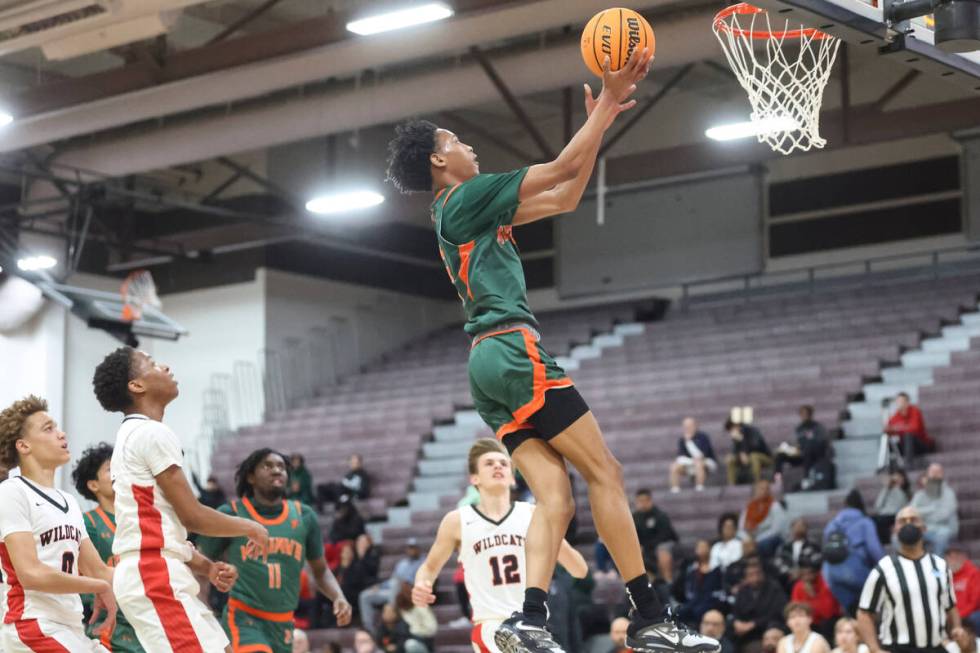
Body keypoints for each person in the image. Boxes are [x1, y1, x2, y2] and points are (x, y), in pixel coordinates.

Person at [386, 46, 718, 653]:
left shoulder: (462, 214)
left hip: (486, 366)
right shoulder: (465, 197)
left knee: (557, 497)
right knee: (606, 472)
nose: (470, 147)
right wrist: (610, 99)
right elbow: (562, 164)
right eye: (457, 139)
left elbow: (564, 196)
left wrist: (604, 122)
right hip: (513, 348)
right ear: (439, 160)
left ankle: (528, 619)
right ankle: (649, 614)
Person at [92, 347, 270, 652]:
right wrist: (251, 527)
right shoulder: (151, 433)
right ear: (137, 386)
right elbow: (193, 516)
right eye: (151, 363)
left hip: (157, 571)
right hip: (153, 574)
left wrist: (207, 567)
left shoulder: (133, 434)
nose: (165, 366)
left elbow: (159, 525)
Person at [411, 439, 587, 653]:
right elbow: (429, 568)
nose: (497, 466)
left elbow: (579, 569)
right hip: (490, 626)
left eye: (503, 463)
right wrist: (422, 583)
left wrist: (556, 533)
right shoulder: (457, 521)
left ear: (512, 478)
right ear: (474, 478)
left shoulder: (532, 514)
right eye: (489, 463)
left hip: (532, 626)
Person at [197, 448, 352, 653]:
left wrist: (338, 596)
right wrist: (203, 607)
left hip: (284, 622)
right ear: (251, 477)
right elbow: (200, 561)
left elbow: (320, 571)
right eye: (268, 466)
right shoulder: (231, 514)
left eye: (281, 467)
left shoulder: (304, 516)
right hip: (244, 618)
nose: (277, 470)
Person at [0, 395, 116, 652]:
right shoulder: (12, 492)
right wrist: (97, 586)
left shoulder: (68, 501)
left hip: (70, 627)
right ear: (23, 445)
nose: (61, 434)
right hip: (31, 625)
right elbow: (31, 574)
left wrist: (169, 559)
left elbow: (98, 570)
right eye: (48, 428)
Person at [856, 505, 962, 653]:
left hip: (935, 647)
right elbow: (864, 612)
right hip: (899, 648)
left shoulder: (940, 565)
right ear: (895, 529)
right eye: (902, 521)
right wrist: (874, 648)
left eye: (913, 520)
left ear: (924, 528)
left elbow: (950, 605)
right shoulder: (883, 568)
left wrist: (957, 626)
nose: (908, 524)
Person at [71, 442, 144, 652]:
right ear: (93, 485)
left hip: (148, 617)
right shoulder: (88, 523)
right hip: (113, 628)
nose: (120, 472)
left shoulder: (139, 516)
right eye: (111, 469)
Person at [822, 491, 884, 615]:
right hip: (855, 570)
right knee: (869, 608)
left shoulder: (832, 524)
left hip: (830, 573)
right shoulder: (864, 522)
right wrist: (885, 566)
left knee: (852, 611)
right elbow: (874, 549)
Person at [361, 540, 424, 629]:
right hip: (393, 591)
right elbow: (393, 580)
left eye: (413, 548)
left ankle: (390, 613)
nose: (411, 550)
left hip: (409, 592)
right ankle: (369, 629)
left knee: (396, 584)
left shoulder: (423, 563)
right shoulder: (402, 564)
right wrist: (380, 586)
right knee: (365, 596)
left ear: (418, 549)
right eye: (409, 548)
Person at [731, 559, 788, 651]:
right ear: (745, 577)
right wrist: (736, 622)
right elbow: (735, 611)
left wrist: (753, 624)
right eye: (751, 575)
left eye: (757, 574)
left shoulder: (774, 588)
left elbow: (777, 613)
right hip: (745, 634)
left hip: (766, 630)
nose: (755, 578)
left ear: (763, 573)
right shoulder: (743, 590)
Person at [774, 406, 834, 492]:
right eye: (802, 414)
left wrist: (807, 446)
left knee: (807, 450)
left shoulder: (818, 427)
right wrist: (790, 449)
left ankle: (806, 478)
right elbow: (795, 443)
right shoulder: (799, 429)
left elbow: (822, 443)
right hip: (801, 455)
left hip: (816, 456)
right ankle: (777, 478)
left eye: (805, 414)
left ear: (810, 415)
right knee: (780, 454)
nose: (803, 416)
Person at [909, 464, 958, 556]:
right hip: (923, 528)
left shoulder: (949, 493)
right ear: (927, 475)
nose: (935, 475)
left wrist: (922, 515)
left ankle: (937, 566)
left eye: (938, 472)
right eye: (932, 472)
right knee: (901, 536)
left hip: (944, 528)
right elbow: (912, 512)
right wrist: (931, 509)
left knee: (942, 535)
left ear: (942, 475)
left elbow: (944, 515)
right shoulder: (919, 494)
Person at [673, 540, 723, 628]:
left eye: (704, 547)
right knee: (680, 612)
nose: (701, 550)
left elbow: (719, 589)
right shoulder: (693, 568)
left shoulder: (716, 568)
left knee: (698, 611)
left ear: (709, 549)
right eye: (699, 547)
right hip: (695, 599)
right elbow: (689, 588)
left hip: (710, 600)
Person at [633, 488, 678, 581]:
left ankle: (667, 580)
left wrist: (648, 545)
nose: (642, 503)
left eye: (644, 500)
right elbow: (634, 536)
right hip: (645, 546)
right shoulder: (635, 517)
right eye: (640, 501)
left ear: (650, 500)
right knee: (632, 552)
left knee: (662, 551)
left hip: (663, 543)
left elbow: (666, 535)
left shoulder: (660, 515)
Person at [790, 556, 841, 636]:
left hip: (828, 622)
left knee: (826, 624)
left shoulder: (825, 583)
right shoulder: (798, 586)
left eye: (809, 573)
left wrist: (813, 596)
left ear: (816, 572)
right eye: (803, 574)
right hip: (809, 622)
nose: (806, 576)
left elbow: (827, 613)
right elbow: (795, 610)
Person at [739, 479, 789, 558]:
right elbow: (741, 528)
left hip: (770, 538)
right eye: (761, 488)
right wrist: (747, 539)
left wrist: (757, 540)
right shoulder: (749, 507)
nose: (764, 491)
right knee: (738, 544)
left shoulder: (775, 505)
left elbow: (776, 530)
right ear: (755, 491)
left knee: (764, 544)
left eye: (767, 489)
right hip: (752, 539)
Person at [670, 418, 717, 493]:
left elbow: (702, 454)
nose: (688, 428)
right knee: (674, 466)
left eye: (690, 426)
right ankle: (675, 489)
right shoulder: (682, 440)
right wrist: (687, 441)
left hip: (706, 461)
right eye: (686, 426)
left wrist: (689, 442)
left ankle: (699, 487)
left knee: (698, 463)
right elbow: (681, 456)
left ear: (695, 426)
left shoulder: (703, 437)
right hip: (690, 462)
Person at [884, 393, 935, 462]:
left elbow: (914, 428)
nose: (899, 404)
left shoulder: (915, 411)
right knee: (889, 442)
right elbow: (888, 429)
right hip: (906, 445)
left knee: (908, 436)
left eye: (901, 401)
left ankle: (909, 464)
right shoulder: (896, 415)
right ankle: (894, 465)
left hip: (921, 444)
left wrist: (897, 429)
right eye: (897, 402)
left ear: (907, 402)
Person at [774, 518, 821, 591]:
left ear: (806, 529)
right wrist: (789, 572)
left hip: (808, 579)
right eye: (796, 526)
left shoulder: (814, 546)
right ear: (791, 529)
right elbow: (778, 562)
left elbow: (817, 561)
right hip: (787, 580)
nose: (799, 528)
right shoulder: (784, 547)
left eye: (801, 525)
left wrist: (802, 572)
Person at [724, 420, 772, 486]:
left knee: (753, 456)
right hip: (746, 458)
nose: (731, 432)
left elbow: (756, 446)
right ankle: (732, 485)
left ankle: (756, 483)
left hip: (764, 457)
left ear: (737, 426)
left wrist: (742, 441)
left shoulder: (752, 431)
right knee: (731, 460)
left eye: (732, 429)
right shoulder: (736, 438)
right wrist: (734, 455)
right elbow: (736, 452)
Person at [947, 544, 980, 634]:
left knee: (976, 618)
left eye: (957, 555)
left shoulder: (974, 574)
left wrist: (957, 616)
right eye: (950, 556)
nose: (952, 559)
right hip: (951, 614)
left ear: (964, 557)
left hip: (969, 614)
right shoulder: (946, 574)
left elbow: (974, 602)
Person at [871, 470, 911, 544]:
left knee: (881, 521)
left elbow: (902, 505)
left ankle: (884, 542)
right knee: (871, 520)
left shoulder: (905, 492)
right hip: (884, 514)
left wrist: (897, 488)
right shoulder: (887, 490)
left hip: (897, 514)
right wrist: (886, 488)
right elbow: (878, 505)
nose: (897, 480)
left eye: (899, 478)